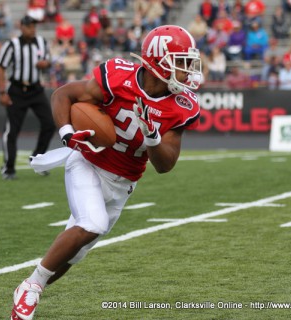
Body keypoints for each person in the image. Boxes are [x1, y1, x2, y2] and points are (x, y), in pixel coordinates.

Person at [10, 24, 202, 320]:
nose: (187, 70)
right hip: (89, 162)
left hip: (123, 183)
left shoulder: (181, 106)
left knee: (75, 252)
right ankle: (31, 287)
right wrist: (66, 133)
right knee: (93, 224)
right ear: (156, 61)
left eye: (189, 62)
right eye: (181, 61)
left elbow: (165, 165)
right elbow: (63, 94)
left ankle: (33, 288)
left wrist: (152, 137)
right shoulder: (117, 77)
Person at [0, 15, 55, 180]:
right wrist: (2, 92)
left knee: (49, 124)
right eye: (29, 26)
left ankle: (37, 159)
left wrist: (46, 64)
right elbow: (1, 67)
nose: (32, 29)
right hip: (17, 89)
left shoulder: (41, 42)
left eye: (34, 26)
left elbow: (48, 60)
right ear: (21, 27)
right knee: (12, 131)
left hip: (36, 89)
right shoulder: (12, 45)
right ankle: (8, 168)